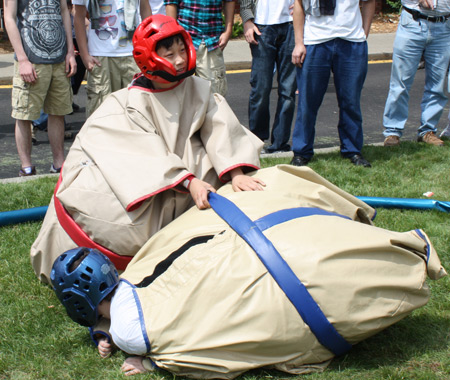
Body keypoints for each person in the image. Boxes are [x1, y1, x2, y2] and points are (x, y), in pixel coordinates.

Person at [49, 165, 447, 378]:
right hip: (259, 240)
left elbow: (184, 343)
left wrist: (144, 359)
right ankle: (359, 230)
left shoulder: (131, 331)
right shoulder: (137, 271)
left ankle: (389, 253)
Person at [31, 15, 264, 284]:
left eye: (181, 51)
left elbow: (220, 127)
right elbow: (140, 152)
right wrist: (189, 183)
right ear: (148, 57)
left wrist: (236, 173)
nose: (178, 60)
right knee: (115, 216)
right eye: (169, 53)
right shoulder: (125, 105)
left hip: (181, 179)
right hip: (151, 187)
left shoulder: (198, 89)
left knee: (213, 164)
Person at [290, 0, 375, 168]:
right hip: (315, 41)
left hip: (351, 42)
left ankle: (352, 150)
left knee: (350, 102)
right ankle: (301, 152)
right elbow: (298, 5)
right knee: (308, 103)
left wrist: (363, 34)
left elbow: (369, 2)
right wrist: (299, 43)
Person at [4, 0, 77, 176]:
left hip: (59, 60)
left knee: (58, 112)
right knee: (24, 115)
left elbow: (64, 12)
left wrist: (69, 51)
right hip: (31, 60)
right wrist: (22, 59)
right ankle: (27, 167)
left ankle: (59, 164)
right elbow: (9, 17)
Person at [382, 0, 450, 147]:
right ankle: (393, 131)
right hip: (413, 22)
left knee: (436, 86)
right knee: (400, 83)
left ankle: (428, 131)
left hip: (444, 25)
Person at [72, 0, 152, 117]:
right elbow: (79, 17)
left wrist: (148, 47)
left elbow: (145, 9)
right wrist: (84, 56)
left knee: (137, 110)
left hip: (133, 53)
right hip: (100, 55)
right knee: (100, 113)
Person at [239, 0, 297, 154]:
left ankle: (280, 144)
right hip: (261, 27)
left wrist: (304, 5)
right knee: (260, 89)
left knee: (288, 91)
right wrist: (247, 20)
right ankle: (257, 141)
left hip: (292, 25)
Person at [165, 0, 234, 97]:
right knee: (179, 94)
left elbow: (229, 1)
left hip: (211, 41)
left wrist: (228, 29)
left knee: (215, 96)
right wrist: (173, 36)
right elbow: (171, 3)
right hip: (183, 41)